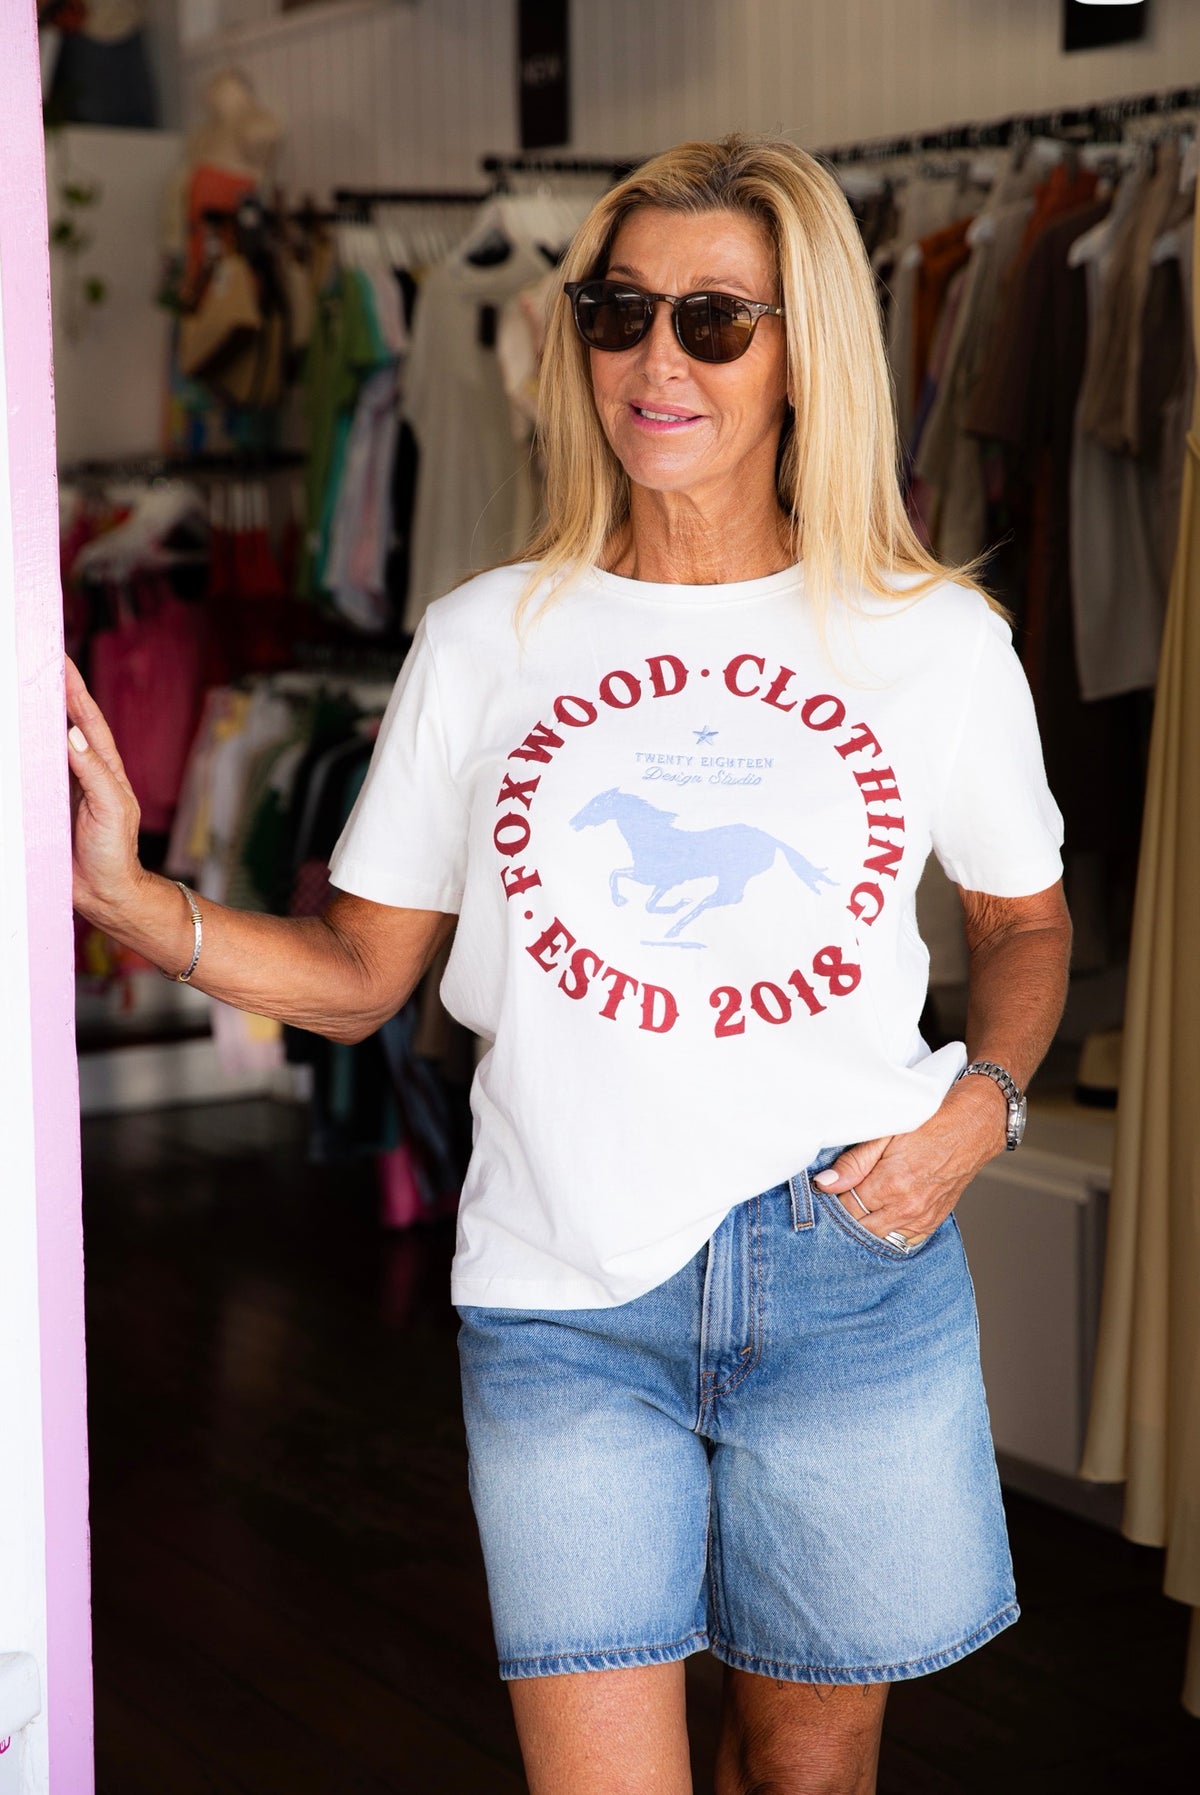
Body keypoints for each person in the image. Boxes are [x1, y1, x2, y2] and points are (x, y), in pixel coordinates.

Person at [68, 134, 1072, 1795]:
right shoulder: (487, 638)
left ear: (805, 354)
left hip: (846, 1263)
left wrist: (984, 1106)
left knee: (807, 1779)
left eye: (713, 321)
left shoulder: (934, 642)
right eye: (618, 313)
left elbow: (1024, 923)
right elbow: (359, 974)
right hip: (563, 1297)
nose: (654, 360)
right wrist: (127, 900)